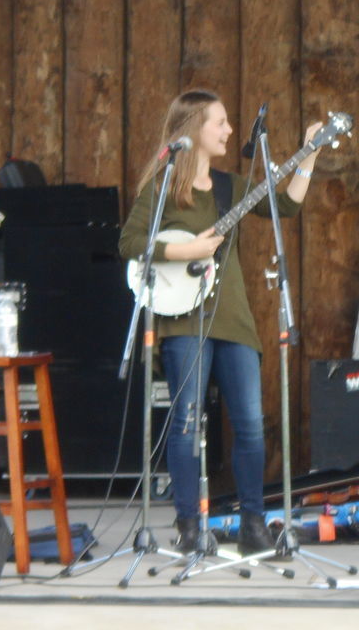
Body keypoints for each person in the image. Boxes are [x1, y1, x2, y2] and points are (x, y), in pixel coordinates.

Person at [119, 89, 322, 557]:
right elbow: (131, 242)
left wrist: (308, 155)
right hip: (184, 321)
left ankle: (253, 523)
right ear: (194, 128)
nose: (230, 130)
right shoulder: (164, 186)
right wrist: (187, 250)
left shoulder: (231, 186)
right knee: (187, 421)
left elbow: (285, 207)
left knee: (250, 424)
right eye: (221, 123)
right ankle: (190, 526)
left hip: (233, 317)